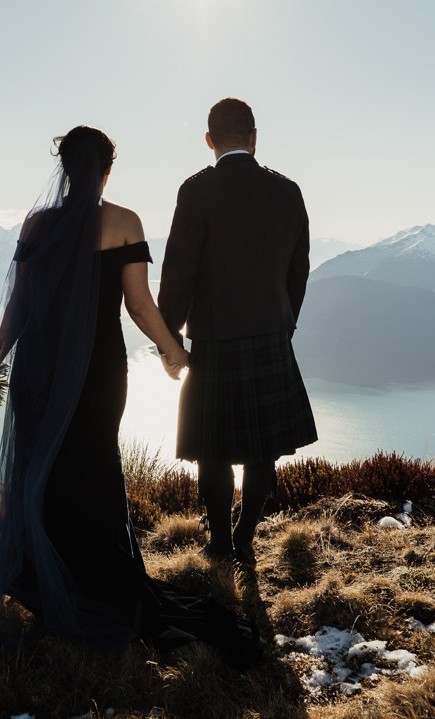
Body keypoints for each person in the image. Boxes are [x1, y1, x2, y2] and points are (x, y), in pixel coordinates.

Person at [0, 125, 258, 666]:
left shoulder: (38, 224)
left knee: (44, 471)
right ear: (106, 169)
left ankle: (47, 582)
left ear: (65, 167)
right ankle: (102, 585)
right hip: (100, 371)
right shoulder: (124, 221)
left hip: (39, 368)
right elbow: (139, 306)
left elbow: (20, 309)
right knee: (95, 467)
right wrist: (173, 350)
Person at [158, 98, 318, 565]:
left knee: (213, 451)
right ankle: (246, 537)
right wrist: (284, 323)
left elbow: (178, 273)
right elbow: (299, 269)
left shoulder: (196, 191)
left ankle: (222, 544)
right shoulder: (288, 191)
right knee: (260, 448)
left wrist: (170, 340)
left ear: (209, 140)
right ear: (254, 136)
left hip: (212, 340)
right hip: (270, 334)